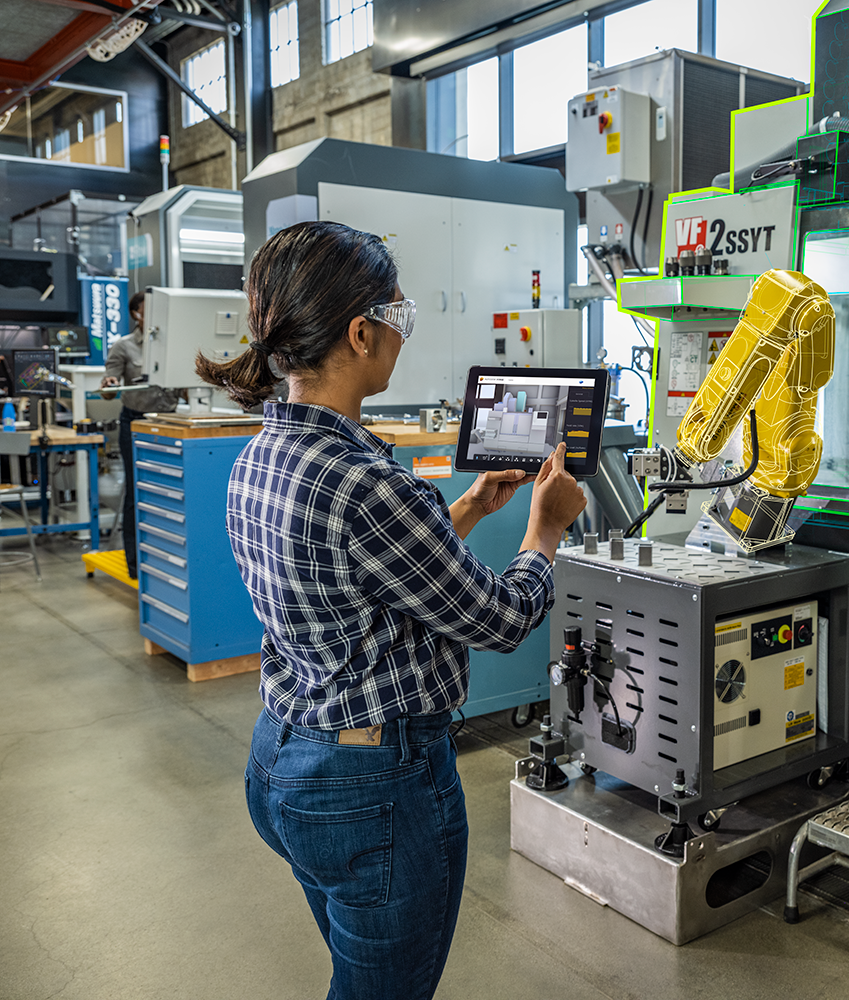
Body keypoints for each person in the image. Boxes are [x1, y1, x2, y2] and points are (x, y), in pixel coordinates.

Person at [194, 220, 585, 1000]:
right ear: (360, 333)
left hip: (283, 761)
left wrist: (464, 509)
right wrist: (544, 532)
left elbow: (360, 575)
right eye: (398, 314)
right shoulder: (370, 484)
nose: (403, 332)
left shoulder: (257, 457)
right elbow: (502, 619)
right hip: (374, 788)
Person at [100, 291, 184, 579]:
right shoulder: (123, 346)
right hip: (135, 424)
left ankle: (165, 558)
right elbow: (108, 390)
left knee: (169, 492)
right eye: (151, 309)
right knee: (137, 491)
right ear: (137, 314)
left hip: (169, 422)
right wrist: (109, 384)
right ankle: (135, 565)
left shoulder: (172, 344)